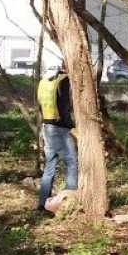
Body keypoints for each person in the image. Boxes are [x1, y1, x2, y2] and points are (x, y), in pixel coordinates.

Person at [35, 67, 77, 214]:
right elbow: (64, 105)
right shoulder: (63, 81)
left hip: (47, 127)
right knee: (71, 163)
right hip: (60, 129)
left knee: (49, 166)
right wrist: (72, 125)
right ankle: (71, 201)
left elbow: (42, 106)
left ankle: (42, 204)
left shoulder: (44, 81)